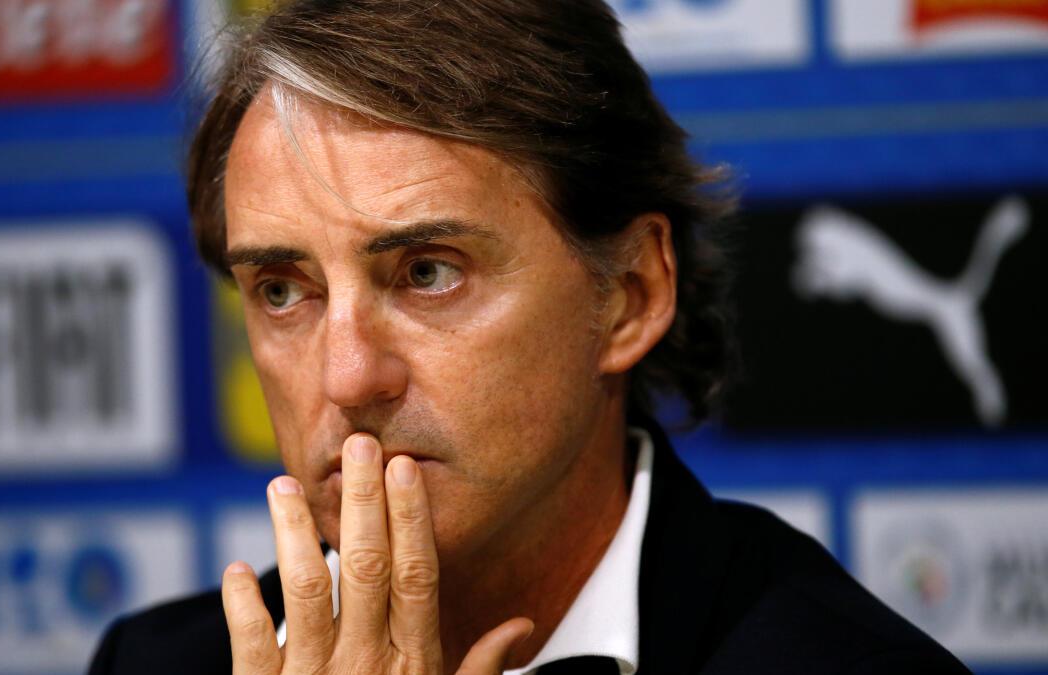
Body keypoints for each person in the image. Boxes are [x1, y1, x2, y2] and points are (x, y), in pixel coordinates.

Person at [89, 1, 970, 673]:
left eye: (427, 272)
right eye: (282, 290)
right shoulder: (151, 664)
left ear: (629, 295)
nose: (348, 376)